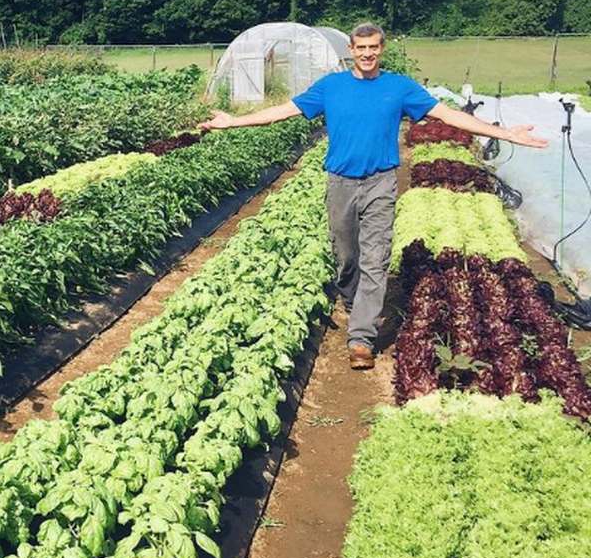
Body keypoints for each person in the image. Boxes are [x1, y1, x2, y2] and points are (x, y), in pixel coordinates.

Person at [198, 22, 548, 370]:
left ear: (381, 49)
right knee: (347, 255)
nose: (367, 54)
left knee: (375, 258)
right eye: (361, 48)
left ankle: (361, 337)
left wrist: (503, 133)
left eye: (373, 48)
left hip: (380, 183)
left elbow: (448, 114)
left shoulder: (398, 87)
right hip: (340, 183)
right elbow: (283, 111)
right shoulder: (331, 87)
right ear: (351, 50)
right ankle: (353, 301)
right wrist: (233, 122)